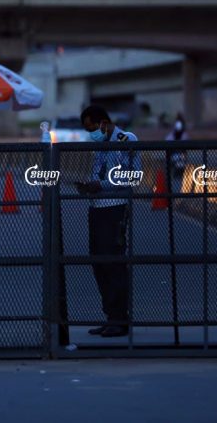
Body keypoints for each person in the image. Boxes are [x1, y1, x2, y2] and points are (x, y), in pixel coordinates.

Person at [75, 105, 140, 338]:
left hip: (114, 209)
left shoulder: (125, 139)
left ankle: (120, 318)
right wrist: (89, 186)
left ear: (103, 122)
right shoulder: (99, 146)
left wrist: (101, 185)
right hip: (97, 208)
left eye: (92, 128)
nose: (90, 133)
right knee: (99, 263)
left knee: (113, 264)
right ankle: (110, 315)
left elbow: (133, 175)